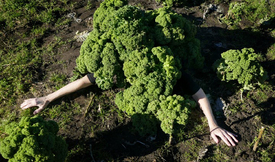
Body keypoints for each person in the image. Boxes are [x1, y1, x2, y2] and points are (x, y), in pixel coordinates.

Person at [21, 73, 239, 147]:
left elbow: (199, 94)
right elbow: (84, 81)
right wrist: (47, 97)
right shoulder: (117, 69)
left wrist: (213, 125)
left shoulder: (171, 68)